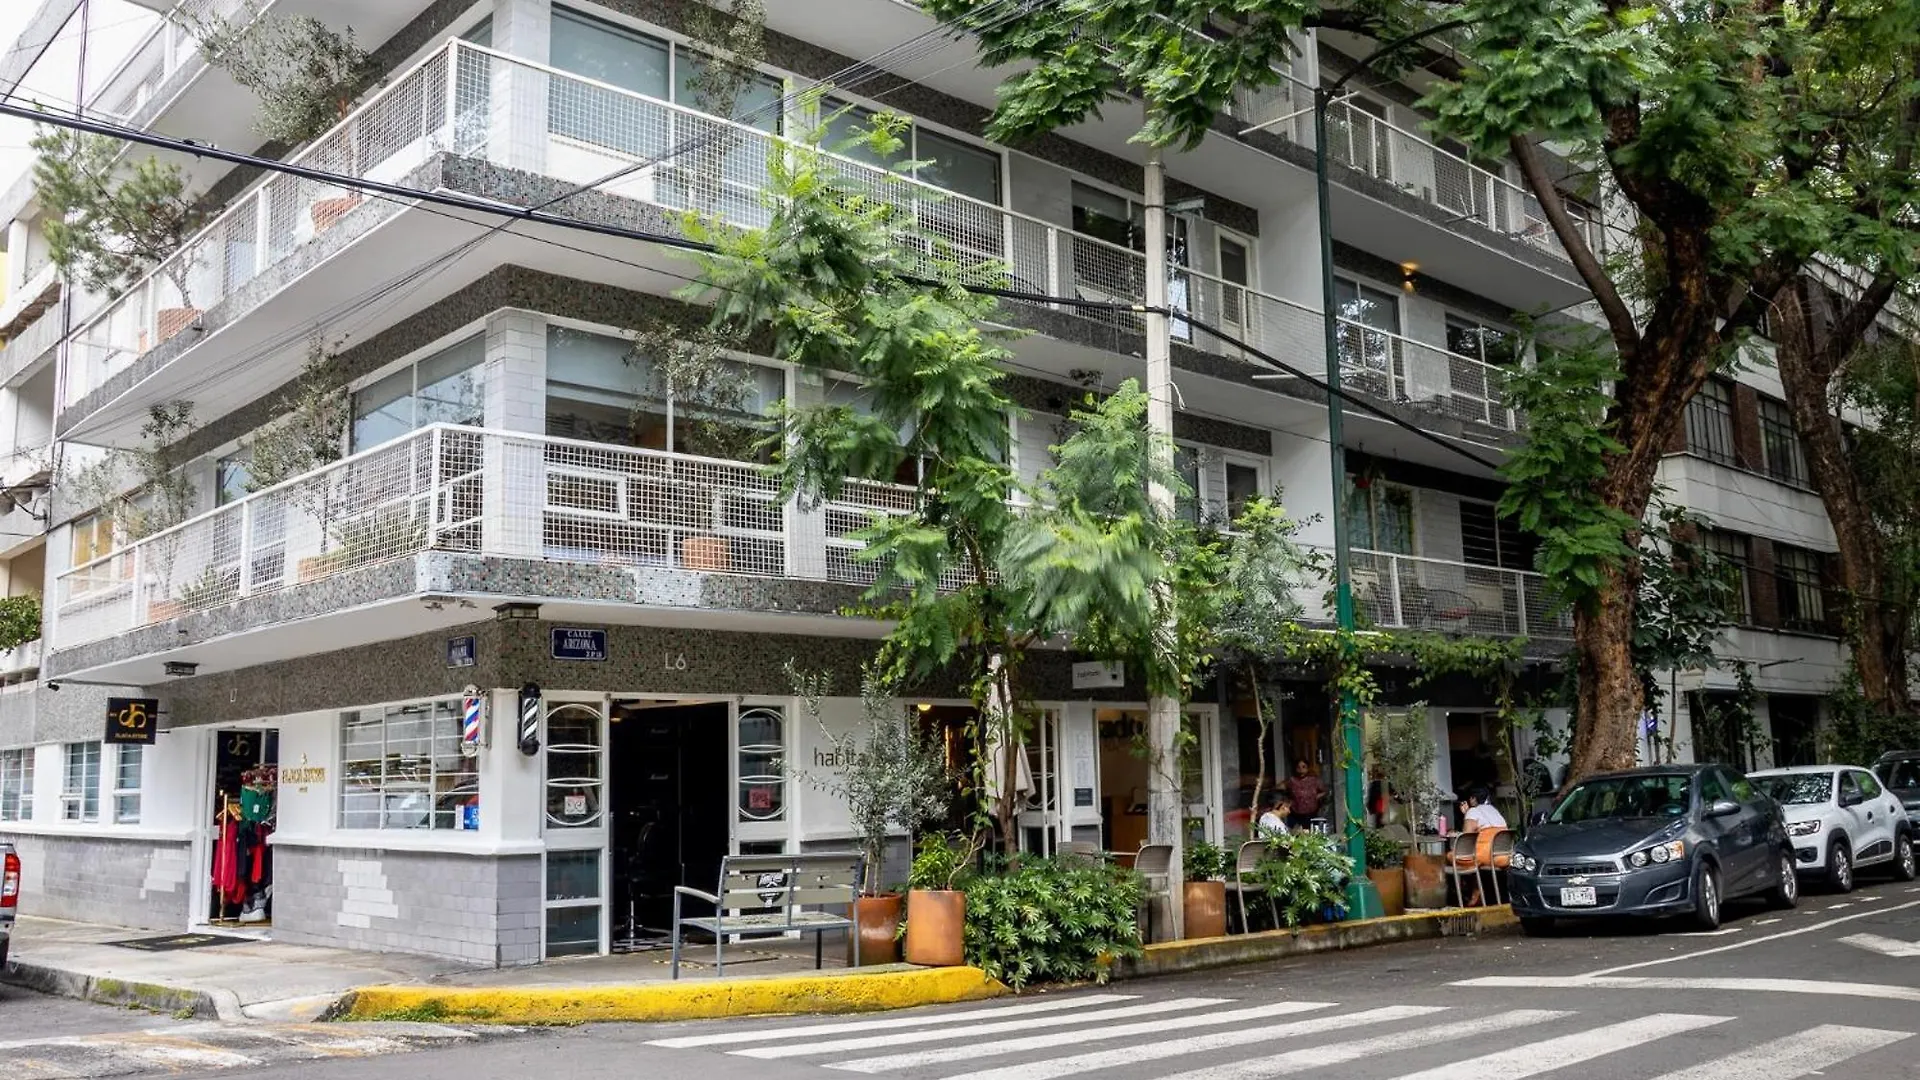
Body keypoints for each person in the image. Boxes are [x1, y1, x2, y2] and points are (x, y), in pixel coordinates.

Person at [1286, 760, 1325, 830]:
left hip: (1311, 812)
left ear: (1308, 768)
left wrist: (1315, 797)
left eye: (1304, 767)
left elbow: (1324, 791)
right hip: (1296, 813)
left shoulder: (1314, 780)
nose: (1301, 770)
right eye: (1298, 767)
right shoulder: (1292, 780)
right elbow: (1284, 790)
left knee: (1310, 831)